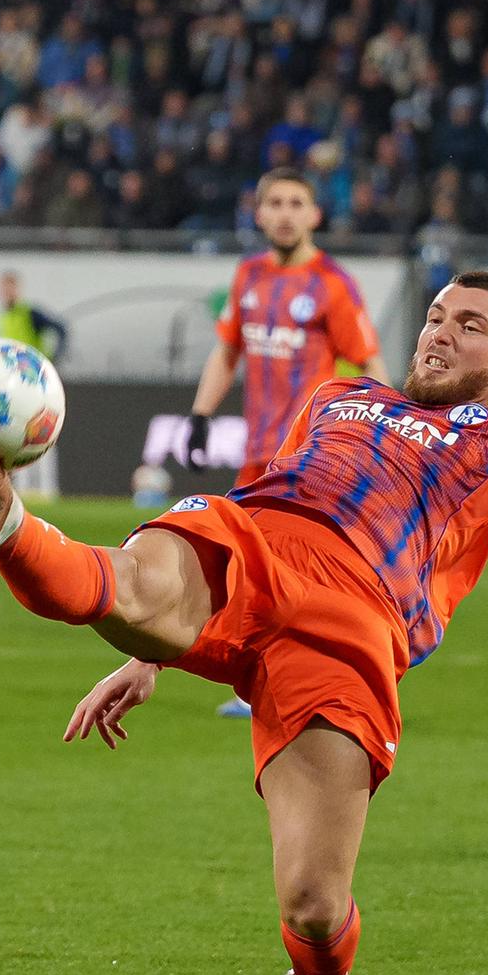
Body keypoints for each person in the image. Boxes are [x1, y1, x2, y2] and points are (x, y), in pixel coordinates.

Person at [0, 257, 488, 975]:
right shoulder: (339, 398)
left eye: (472, 326)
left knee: (314, 907)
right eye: (437, 314)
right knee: (128, 578)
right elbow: (259, 491)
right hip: (254, 541)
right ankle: (2, 519)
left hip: (353, 620)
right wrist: (151, 649)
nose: (441, 332)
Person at [187, 167, 389, 718]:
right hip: (258, 454)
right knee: (245, 566)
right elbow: (227, 351)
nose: (284, 213)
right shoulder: (248, 276)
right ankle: (256, 679)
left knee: (300, 572)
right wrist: (202, 414)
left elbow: (369, 364)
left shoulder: (332, 285)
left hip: (309, 456)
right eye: (274, 202)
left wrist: (386, 438)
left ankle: (318, 676)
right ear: (258, 213)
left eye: (296, 203)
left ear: (315, 215)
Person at [0, 268, 68, 500]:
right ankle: (25, 489)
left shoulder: (30, 313)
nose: (6, 291)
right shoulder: (4, 316)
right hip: (13, 384)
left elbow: (61, 329)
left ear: (17, 288)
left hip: (35, 382)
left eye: (10, 286)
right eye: (3, 287)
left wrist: (53, 358)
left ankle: (47, 489)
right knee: (17, 432)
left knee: (43, 429)